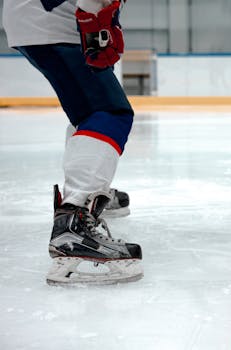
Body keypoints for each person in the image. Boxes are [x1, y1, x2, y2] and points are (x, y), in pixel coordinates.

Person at [2, 0, 143, 284]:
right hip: (56, 21)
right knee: (108, 113)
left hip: (33, 17)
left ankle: (92, 194)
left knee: (87, 110)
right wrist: (95, 20)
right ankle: (75, 219)